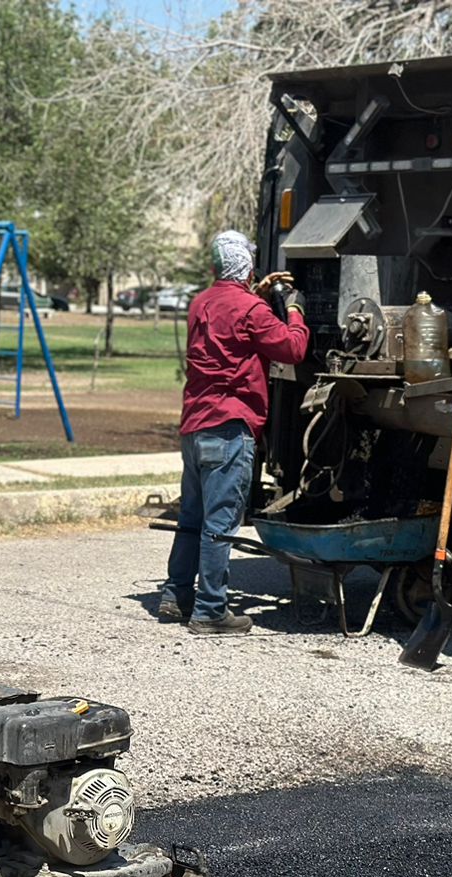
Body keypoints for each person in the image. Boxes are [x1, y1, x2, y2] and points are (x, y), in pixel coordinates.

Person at [159, 230, 309, 634]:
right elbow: (292, 349)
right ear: (247, 266)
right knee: (220, 523)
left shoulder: (200, 303)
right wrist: (294, 310)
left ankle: (176, 596)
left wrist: (254, 292)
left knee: (192, 517)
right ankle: (210, 611)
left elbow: (229, 316)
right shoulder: (253, 310)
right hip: (229, 428)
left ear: (215, 266)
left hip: (194, 427)